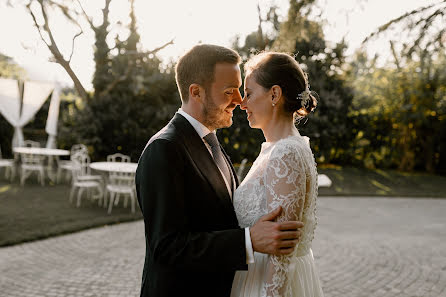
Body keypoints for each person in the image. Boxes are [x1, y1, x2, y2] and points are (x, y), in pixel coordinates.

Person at [135, 44, 303, 297]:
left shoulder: (211, 142)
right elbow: (167, 246)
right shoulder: (165, 148)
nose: (239, 100)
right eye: (229, 91)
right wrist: (248, 241)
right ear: (196, 92)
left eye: (240, 90)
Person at [231, 52, 324, 297]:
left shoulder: (286, 153)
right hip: (254, 276)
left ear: (274, 94)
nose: (242, 103)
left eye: (249, 93)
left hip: (267, 285)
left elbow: (282, 254)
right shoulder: (278, 148)